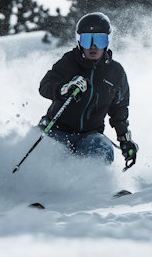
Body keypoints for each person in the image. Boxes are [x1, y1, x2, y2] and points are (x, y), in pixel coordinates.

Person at [37, 12, 138, 169]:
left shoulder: (115, 72)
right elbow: (45, 85)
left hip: (89, 136)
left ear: (107, 41)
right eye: (87, 40)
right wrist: (65, 89)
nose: (93, 46)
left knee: (101, 149)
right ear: (79, 41)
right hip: (57, 131)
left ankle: (94, 189)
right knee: (48, 157)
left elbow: (119, 109)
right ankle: (44, 189)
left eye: (99, 40)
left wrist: (124, 139)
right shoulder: (69, 62)